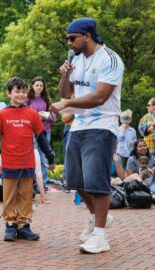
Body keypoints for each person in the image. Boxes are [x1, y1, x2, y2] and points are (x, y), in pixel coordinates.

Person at [50, 17, 124, 253]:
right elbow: (66, 92)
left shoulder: (110, 59)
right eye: (67, 39)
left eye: (72, 38)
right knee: (75, 181)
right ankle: (96, 219)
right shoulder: (77, 60)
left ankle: (101, 237)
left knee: (96, 182)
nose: (69, 43)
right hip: (78, 125)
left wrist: (66, 105)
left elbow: (100, 97)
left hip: (102, 125)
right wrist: (64, 75)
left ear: (87, 36)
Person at [0, 77, 55, 242]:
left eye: (23, 91)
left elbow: (42, 138)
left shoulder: (32, 114)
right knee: (9, 196)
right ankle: (10, 226)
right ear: (9, 93)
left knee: (25, 196)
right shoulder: (2, 114)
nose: (20, 95)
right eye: (17, 91)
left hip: (27, 164)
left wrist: (50, 157)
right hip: (9, 164)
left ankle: (23, 226)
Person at [26, 76, 56, 186]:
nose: (39, 87)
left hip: (45, 131)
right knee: (34, 154)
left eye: (41, 85)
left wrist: (45, 116)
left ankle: (43, 182)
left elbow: (54, 118)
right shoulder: (27, 100)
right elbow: (24, 115)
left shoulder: (46, 100)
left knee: (44, 154)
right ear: (32, 86)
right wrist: (36, 116)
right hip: (32, 131)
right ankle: (33, 181)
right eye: (37, 85)